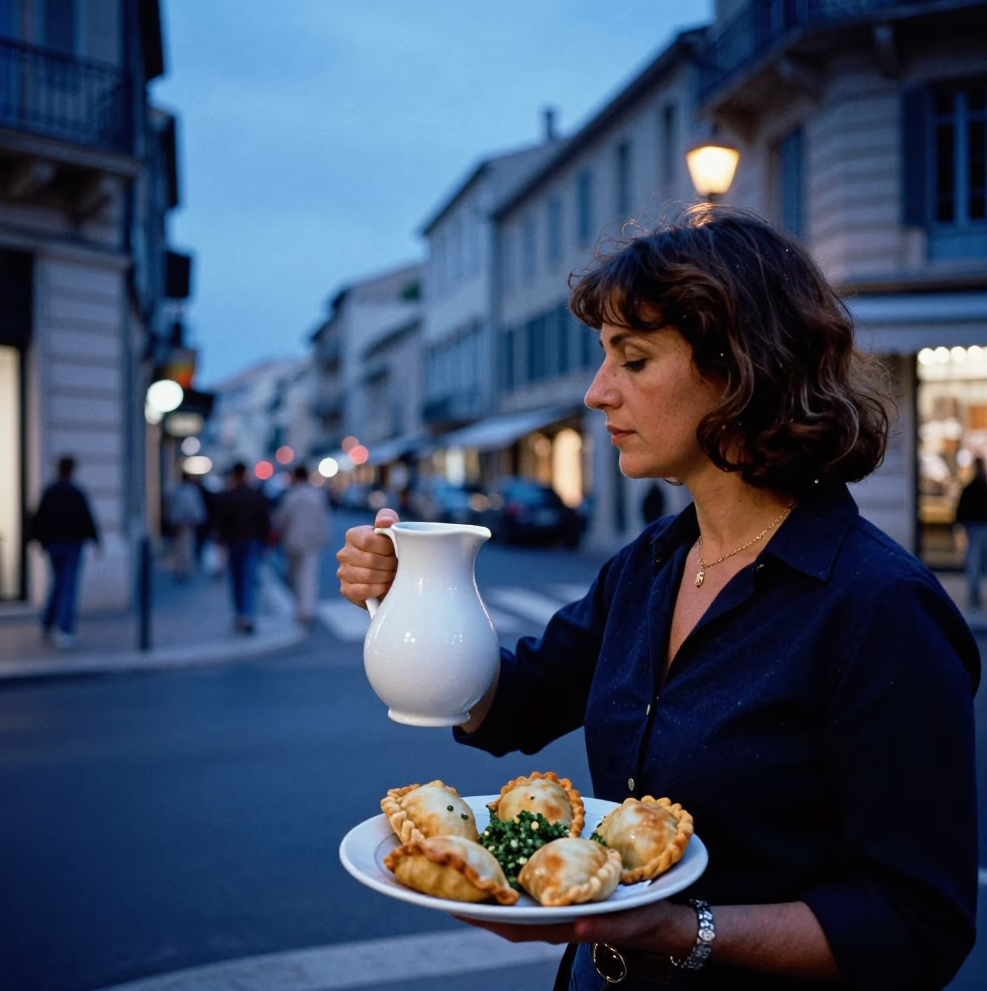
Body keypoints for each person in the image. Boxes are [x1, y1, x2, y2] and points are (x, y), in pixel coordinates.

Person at [335, 205, 980, 990]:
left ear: (740, 369)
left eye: (633, 360)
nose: (596, 392)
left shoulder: (879, 607)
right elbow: (511, 703)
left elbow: (916, 925)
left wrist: (681, 930)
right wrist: (415, 594)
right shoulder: (648, 566)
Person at [29, 455, 100, 649]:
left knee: (58, 584)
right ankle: (64, 629)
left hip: (54, 545)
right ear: (71, 471)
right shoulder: (75, 493)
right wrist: (96, 541)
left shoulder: (50, 492)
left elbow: (39, 519)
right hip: (70, 546)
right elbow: (86, 519)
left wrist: (39, 541)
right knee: (67, 586)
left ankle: (47, 623)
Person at [215, 461, 271, 633]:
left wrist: (222, 540)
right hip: (251, 541)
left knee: (237, 579)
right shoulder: (255, 495)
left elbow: (221, 523)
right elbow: (264, 521)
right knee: (249, 578)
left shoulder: (228, 495)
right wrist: (265, 542)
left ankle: (240, 613)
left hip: (234, 541)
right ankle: (247, 615)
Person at [273, 465, 331, 629]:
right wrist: (324, 537)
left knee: (295, 575)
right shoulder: (316, 495)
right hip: (312, 540)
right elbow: (323, 518)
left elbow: (281, 519)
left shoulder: (291, 496)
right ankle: (306, 609)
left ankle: (301, 608)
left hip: (292, 540)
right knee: (308, 575)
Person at [955, 456, 987, 609]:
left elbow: (961, 508)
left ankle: (975, 593)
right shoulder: (979, 486)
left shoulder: (971, 487)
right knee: (976, 559)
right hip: (978, 526)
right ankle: (975, 593)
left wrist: (960, 522)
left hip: (974, 527)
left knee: (974, 559)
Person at [166, 471, 207, 582]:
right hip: (186, 524)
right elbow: (195, 508)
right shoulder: (190, 491)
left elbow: (170, 508)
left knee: (179, 548)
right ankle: (184, 570)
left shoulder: (176, 490)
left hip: (179, 523)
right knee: (185, 548)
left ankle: (180, 569)